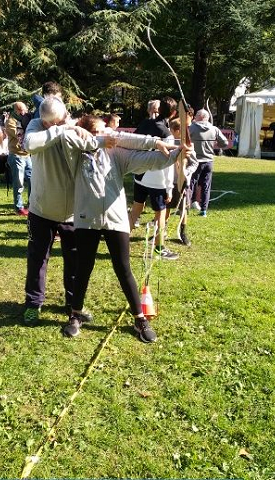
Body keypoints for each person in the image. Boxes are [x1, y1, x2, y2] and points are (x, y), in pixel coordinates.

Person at [61, 115, 193, 342]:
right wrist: (83, 132)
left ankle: (140, 318)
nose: (111, 135)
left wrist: (176, 154)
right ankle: (75, 314)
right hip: (86, 218)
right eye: (103, 130)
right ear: (89, 133)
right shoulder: (75, 154)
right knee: (83, 266)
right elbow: (70, 134)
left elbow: (150, 160)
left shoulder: (117, 154)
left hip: (116, 218)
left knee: (123, 267)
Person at [22, 97, 101, 325]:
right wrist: (60, 129)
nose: (65, 121)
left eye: (65, 117)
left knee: (75, 260)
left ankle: (74, 303)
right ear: (46, 122)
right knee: (37, 260)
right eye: (55, 122)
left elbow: (96, 142)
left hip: (72, 212)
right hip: (41, 209)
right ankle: (33, 304)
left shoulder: (73, 125)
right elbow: (29, 145)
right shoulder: (36, 125)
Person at [128, 97, 179, 260]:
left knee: (136, 209)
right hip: (156, 180)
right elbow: (168, 163)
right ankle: (159, 248)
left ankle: (120, 242)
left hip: (139, 175)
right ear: (173, 113)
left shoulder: (144, 124)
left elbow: (133, 144)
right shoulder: (166, 133)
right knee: (160, 214)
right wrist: (169, 188)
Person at [165, 118, 199, 246]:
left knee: (183, 208)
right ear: (174, 130)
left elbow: (195, 163)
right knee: (166, 206)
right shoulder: (167, 142)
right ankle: (162, 230)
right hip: (168, 181)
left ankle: (183, 232)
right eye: (180, 130)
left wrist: (186, 173)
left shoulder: (188, 145)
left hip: (182, 181)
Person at [189, 109, 229, 217]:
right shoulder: (214, 129)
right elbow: (225, 143)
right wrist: (216, 145)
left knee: (190, 184)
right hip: (208, 162)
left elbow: (183, 140)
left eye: (196, 115)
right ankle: (204, 210)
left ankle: (185, 208)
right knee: (206, 186)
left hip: (194, 161)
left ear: (199, 116)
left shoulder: (191, 128)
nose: (194, 117)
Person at [6, 101, 32, 216]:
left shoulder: (26, 119)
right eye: (22, 110)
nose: (24, 112)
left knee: (32, 180)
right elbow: (19, 134)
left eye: (25, 110)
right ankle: (19, 207)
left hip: (27, 155)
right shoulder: (11, 121)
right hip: (16, 155)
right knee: (19, 183)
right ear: (16, 110)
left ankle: (32, 205)